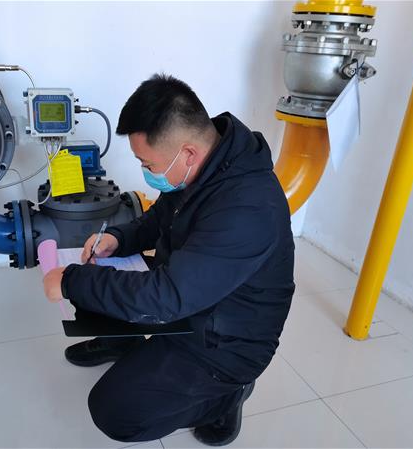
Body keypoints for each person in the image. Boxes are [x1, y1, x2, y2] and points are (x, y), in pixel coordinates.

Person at [43, 74, 295, 446]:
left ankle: (227, 396)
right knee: (102, 275)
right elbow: (160, 219)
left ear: (187, 153)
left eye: (147, 164)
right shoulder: (205, 166)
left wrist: (70, 280)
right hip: (191, 295)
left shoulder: (249, 207)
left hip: (225, 341)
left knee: (114, 411)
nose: (146, 172)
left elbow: (168, 297)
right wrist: (118, 239)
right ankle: (123, 341)